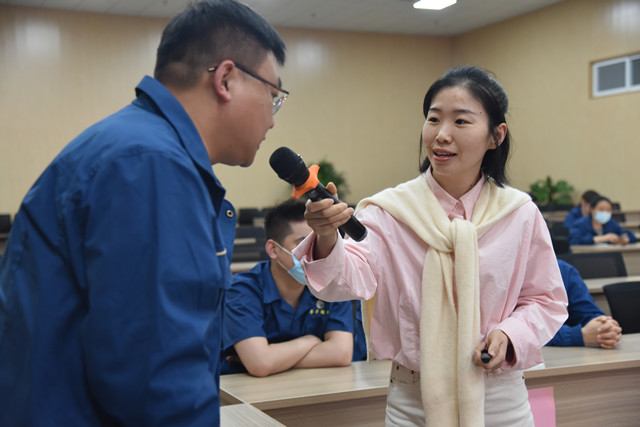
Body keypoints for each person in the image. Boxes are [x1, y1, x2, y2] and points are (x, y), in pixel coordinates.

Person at [0, 1, 287, 425]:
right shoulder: (152, 165)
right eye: (273, 95)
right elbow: (156, 380)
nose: (273, 120)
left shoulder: (135, 147)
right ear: (225, 79)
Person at [294, 66, 568, 426]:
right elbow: (341, 283)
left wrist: (509, 334)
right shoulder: (389, 211)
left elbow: (546, 299)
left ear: (496, 135)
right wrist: (327, 235)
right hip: (414, 400)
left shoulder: (518, 213)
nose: (441, 135)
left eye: (461, 121)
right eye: (433, 119)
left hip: (501, 399)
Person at [221, 199, 367, 376]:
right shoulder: (242, 289)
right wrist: (311, 341)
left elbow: (341, 354)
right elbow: (261, 363)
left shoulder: (332, 283)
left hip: (313, 384)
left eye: (316, 243)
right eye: (302, 243)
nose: (312, 253)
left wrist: (272, 358)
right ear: (273, 249)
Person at [547, 260, 622, 348]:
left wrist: (604, 326)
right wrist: (577, 335)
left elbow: (585, 311)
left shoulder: (564, 269)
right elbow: (533, 331)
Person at [568, 195, 637, 245]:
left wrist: (624, 239)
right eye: (601, 209)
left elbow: (630, 236)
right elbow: (574, 241)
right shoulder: (580, 224)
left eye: (608, 210)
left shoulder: (611, 223)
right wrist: (604, 238)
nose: (605, 212)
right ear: (591, 209)